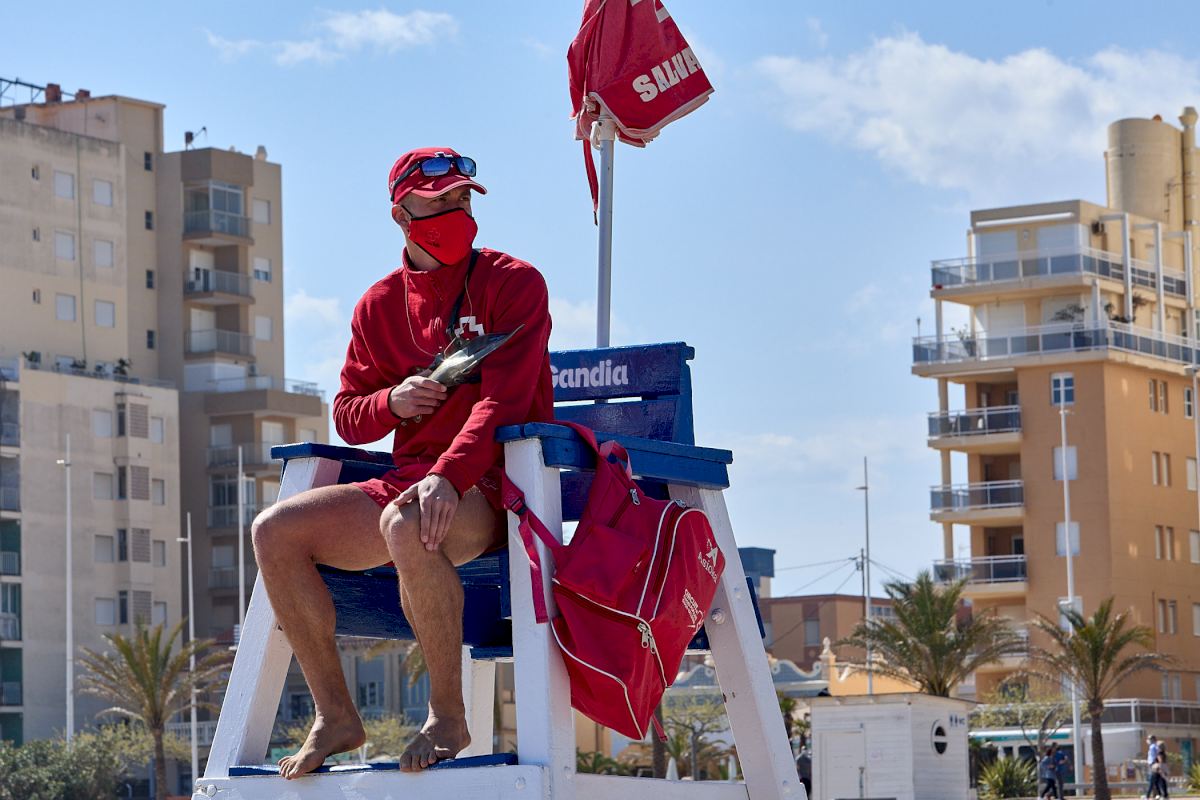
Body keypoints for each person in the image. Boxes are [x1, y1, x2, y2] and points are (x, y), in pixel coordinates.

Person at [251, 147, 553, 778]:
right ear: (401, 215)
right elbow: (348, 416)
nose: (456, 211)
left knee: (405, 524)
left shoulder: (514, 281)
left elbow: (504, 401)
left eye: (462, 198)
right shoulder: (378, 304)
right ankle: (336, 716)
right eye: (439, 201)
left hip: (495, 486)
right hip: (405, 486)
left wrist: (449, 474)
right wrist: (392, 400)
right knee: (274, 531)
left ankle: (446, 718)